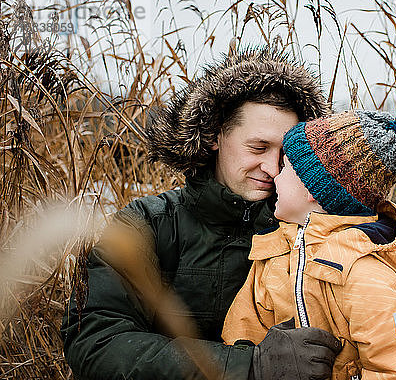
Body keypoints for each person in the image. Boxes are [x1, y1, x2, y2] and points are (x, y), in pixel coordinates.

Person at [61, 47, 343, 380]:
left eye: (285, 153)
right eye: (258, 147)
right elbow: (96, 342)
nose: (271, 167)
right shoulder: (150, 224)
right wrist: (249, 367)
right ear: (214, 136)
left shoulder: (312, 229)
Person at [222, 109, 396, 379]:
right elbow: (243, 331)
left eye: (285, 168)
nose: (275, 176)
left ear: (310, 187)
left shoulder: (362, 272)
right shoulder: (275, 256)